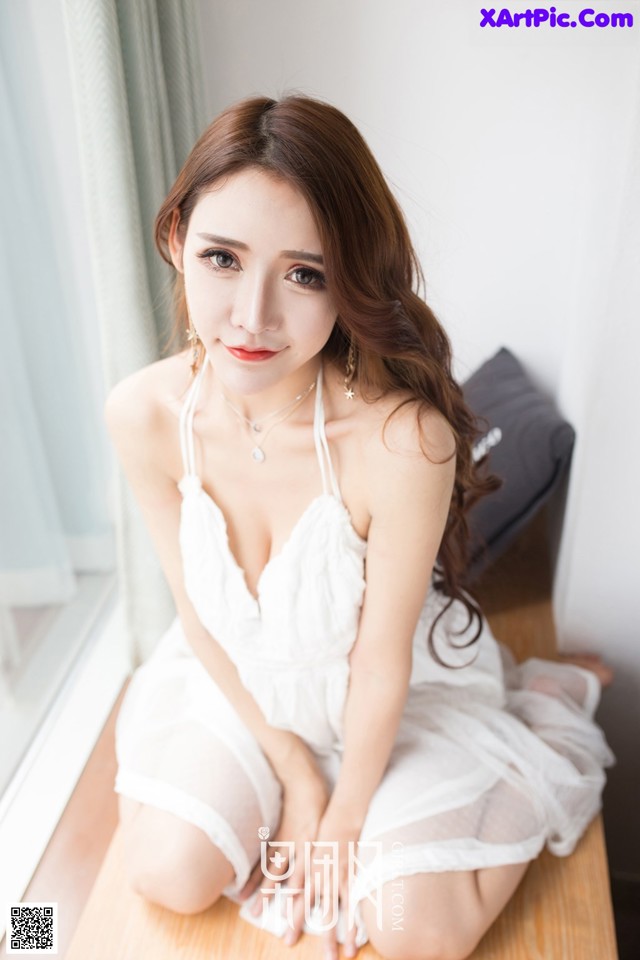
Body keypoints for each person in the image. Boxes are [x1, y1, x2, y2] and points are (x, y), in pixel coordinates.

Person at [105, 94, 614, 960]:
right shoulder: (144, 413)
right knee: (167, 870)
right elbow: (199, 618)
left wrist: (342, 821)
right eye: (222, 258)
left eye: (304, 274)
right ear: (174, 240)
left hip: (399, 699)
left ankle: (542, 702)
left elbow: (379, 667)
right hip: (250, 689)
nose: (253, 316)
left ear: (350, 280)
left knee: (415, 934)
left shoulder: (402, 442)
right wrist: (294, 771)